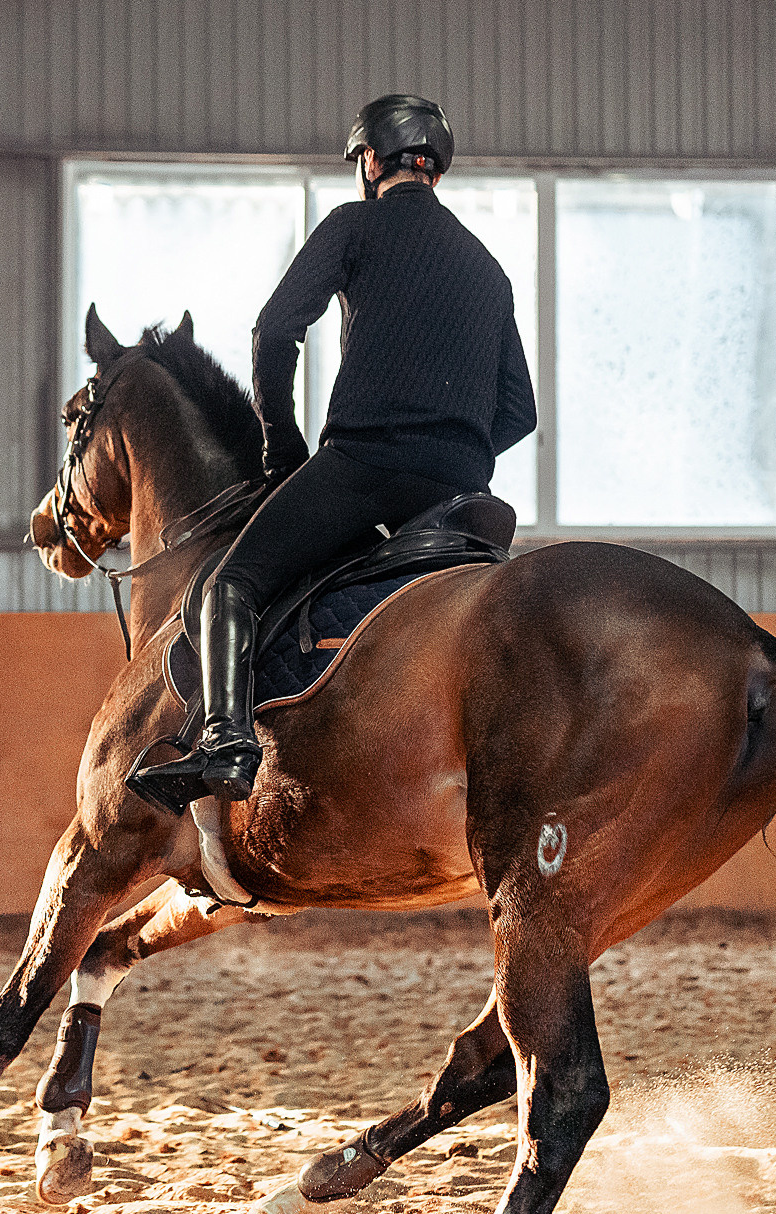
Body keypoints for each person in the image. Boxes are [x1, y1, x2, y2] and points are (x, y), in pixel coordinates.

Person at [131, 93, 537, 809]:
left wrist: (282, 447)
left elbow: (274, 330)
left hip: (363, 470)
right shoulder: (487, 268)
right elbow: (519, 412)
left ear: (372, 161)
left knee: (229, 585)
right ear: (435, 169)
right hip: (459, 494)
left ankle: (226, 740)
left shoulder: (354, 225)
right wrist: (453, 450)